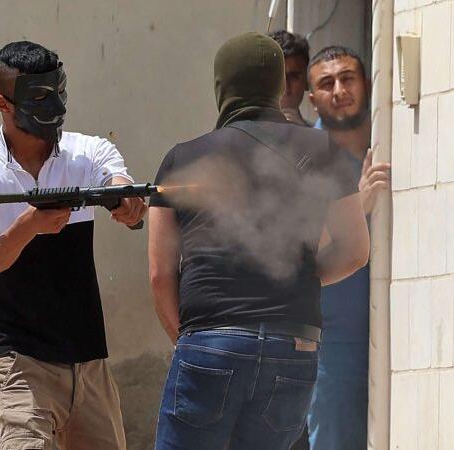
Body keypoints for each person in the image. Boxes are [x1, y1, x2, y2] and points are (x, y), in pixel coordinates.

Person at [148, 32, 370, 450]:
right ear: (277, 86)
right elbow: (355, 250)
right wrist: (299, 276)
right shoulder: (322, 149)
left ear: (222, 86)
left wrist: (193, 346)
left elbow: (161, 274)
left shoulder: (182, 159)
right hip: (295, 345)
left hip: (210, 341)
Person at [0, 41, 147, 450]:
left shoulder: (88, 152)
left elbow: (119, 184)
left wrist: (126, 202)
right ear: (2, 104)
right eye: (39, 97)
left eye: (59, 91)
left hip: (87, 359)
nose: (54, 105)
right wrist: (32, 224)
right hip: (16, 359)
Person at [302, 46, 391, 450]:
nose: (339, 91)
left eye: (347, 78)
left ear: (367, 84)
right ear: (312, 98)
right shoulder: (304, 157)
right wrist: (357, 207)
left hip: (393, 329)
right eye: (326, 83)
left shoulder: (389, 139)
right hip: (332, 343)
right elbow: (301, 248)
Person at [269, 30, 311, 127]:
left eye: (294, 77)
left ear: (307, 80)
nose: (285, 88)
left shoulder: (322, 135)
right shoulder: (241, 134)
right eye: (276, 77)